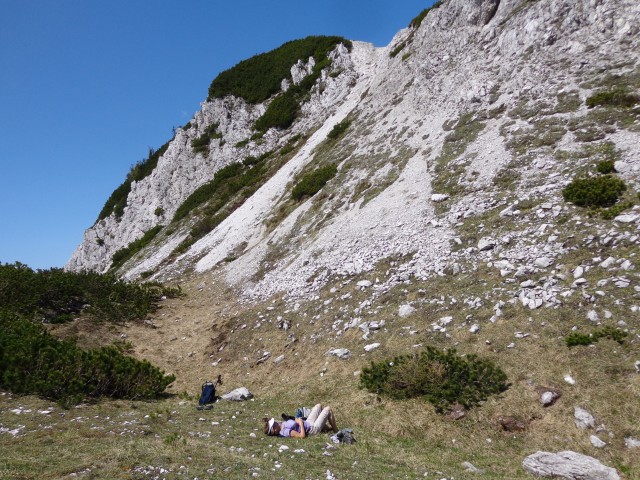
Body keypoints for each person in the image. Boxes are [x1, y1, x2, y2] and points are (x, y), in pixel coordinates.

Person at [262, 404, 338, 438]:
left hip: (308, 422)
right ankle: (336, 432)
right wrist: (301, 424)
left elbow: (293, 422)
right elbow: (301, 436)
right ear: (274, 429)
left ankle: (325, 429)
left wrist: (295, 419)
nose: (275, 422)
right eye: (274, 424)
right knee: (328, 409)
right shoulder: (285, 431)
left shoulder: (281, 424)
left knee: (319, 406)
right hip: (312, 429)